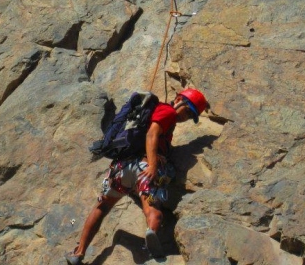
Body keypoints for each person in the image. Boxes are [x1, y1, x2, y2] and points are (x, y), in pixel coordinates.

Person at [65, 88, 209, 264]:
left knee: (102, 206)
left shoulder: (156, 114)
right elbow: (151, 134)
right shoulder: (168, 111)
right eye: (187, 111)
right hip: (144, 167)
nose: (185, 117)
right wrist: (153, 165)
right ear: (179, 99)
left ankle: (78, 252)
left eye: (190, 116)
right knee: (152, 206)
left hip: (122, 168)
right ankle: (152, 233)